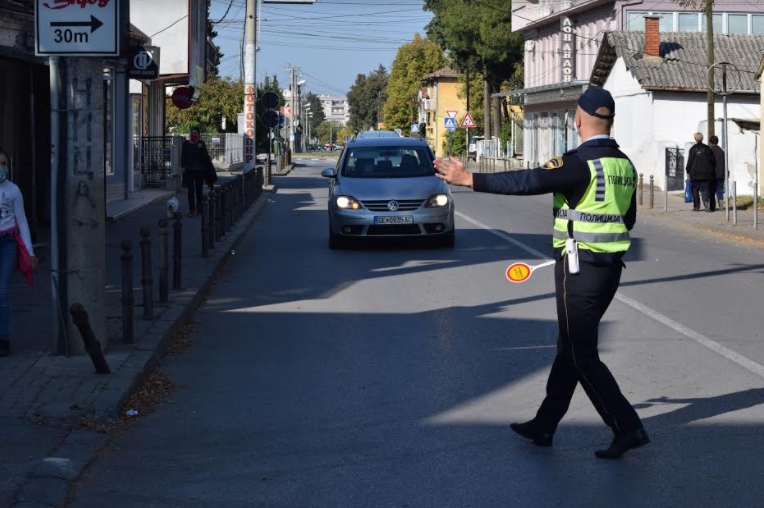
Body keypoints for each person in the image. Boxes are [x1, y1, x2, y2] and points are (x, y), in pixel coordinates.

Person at [433, 87, 649, 459]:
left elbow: (529, 181)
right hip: (610, 270)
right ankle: (545, 424)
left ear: (577, 119)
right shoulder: (623, 165)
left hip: (578, 270)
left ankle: (627, 426)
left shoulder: (578, 163)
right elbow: (626, 220)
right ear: (609, 121)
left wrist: (470, 180)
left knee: (581, 354)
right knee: (569, 347)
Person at [0, 148, 38, 357]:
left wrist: (30, 252)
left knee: (2, 292)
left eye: (4, 164)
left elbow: (22, 220)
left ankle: (3, 339)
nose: (1, 168)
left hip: (8, 244)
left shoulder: (13, 190)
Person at [181, 127, 213, 217]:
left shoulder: (201, 143)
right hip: (189, 170)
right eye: (192, 133)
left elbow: (205, 156)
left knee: (199, 190)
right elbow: (183, 156)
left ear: (199, 135)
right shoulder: (186, 144)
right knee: (190, 191)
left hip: (200, 170)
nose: (194, 135)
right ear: (190, 134)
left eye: (195, 133)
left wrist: (201, 149)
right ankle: (192, 210)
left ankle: (199, 207)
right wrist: (182, 166)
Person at [685, 132, 716, 212]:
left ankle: (696, 207)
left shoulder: (692, 149)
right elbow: (713, 161)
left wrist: (688, 171)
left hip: (694, 174)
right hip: (705, 174)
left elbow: (690, 161)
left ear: (695, 139)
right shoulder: (707, 148)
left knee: (695, 191)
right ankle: (706, 204)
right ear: (702, 138)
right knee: (705, 190)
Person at [708, 135, 726, 211]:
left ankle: (712, 206)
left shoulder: (710, 151)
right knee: (720, 189)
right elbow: (724, 163)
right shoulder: (722, 151)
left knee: (711, 190)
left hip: (712, 174)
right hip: (721, 174)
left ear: (711, 143)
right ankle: (721, 202)